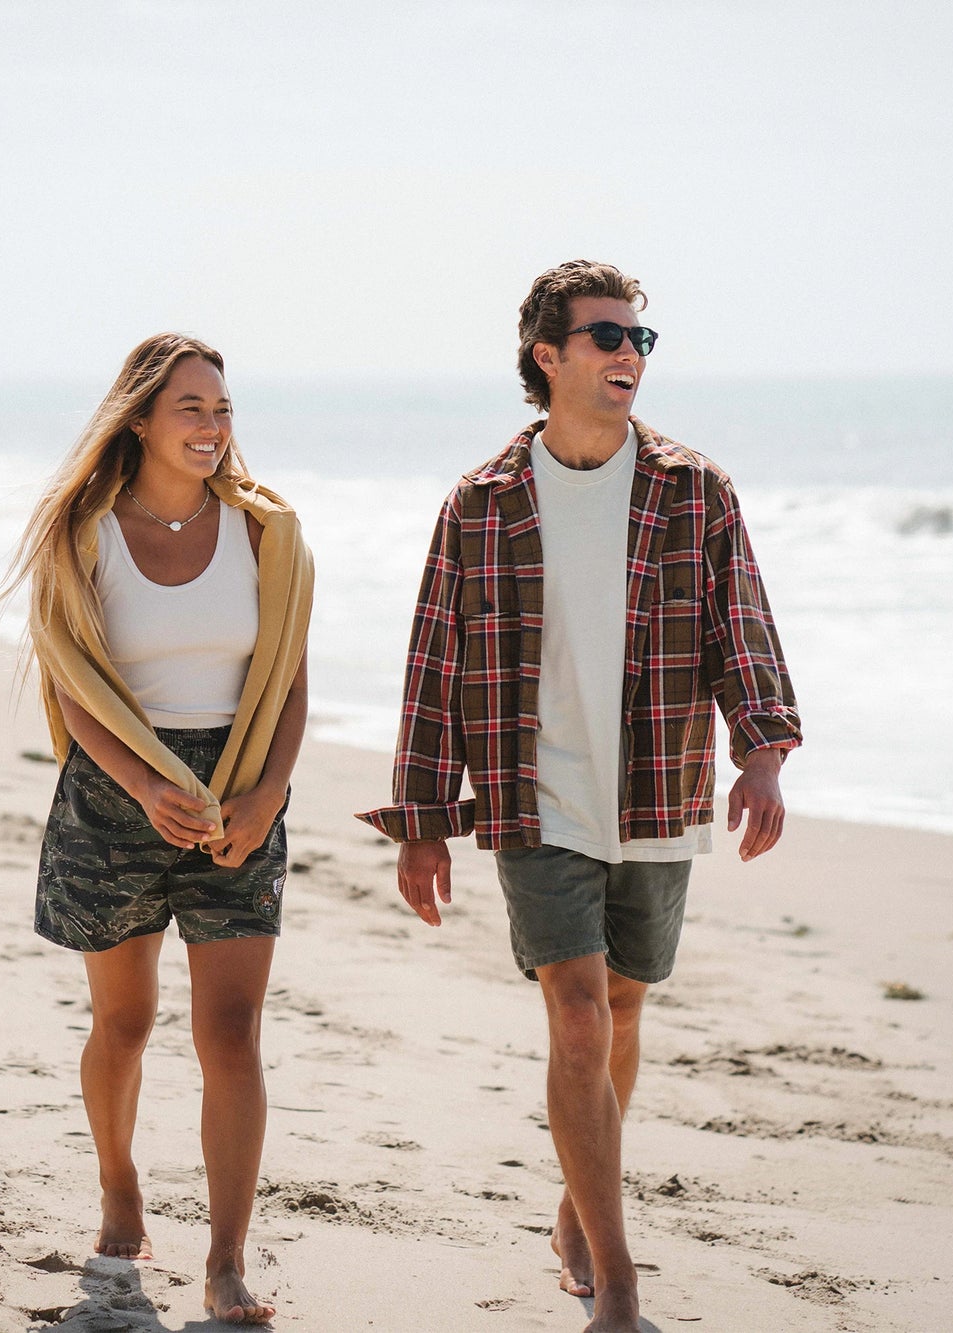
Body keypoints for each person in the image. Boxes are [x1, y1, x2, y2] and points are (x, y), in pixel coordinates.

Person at [358, 261, 801, 1333]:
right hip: (532, 792)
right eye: (606, 337)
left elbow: (738, 624)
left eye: (639, 341)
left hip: (656, 783)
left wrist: (761, 755)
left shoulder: (694, 487)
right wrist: (421, 821)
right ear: (545, 356)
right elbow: (433, 664)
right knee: (573, 1017)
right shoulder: (481, 501)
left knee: (624, 1006)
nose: (626, 357)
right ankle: (616, 1279)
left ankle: (575, 1203)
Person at [0, 333, 313, 1325]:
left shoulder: (267, 533)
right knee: (124, 1023)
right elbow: (74, 684)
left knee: (230, 1030)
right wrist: (142, 787)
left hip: (238, 787)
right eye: (191, 408)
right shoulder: (83, 532)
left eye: (222, 408)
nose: (213, 426)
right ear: (139, 419)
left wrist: (262, 797)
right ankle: (120, 1189)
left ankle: (224, 1262)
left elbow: (291, 678)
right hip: (117, 795)